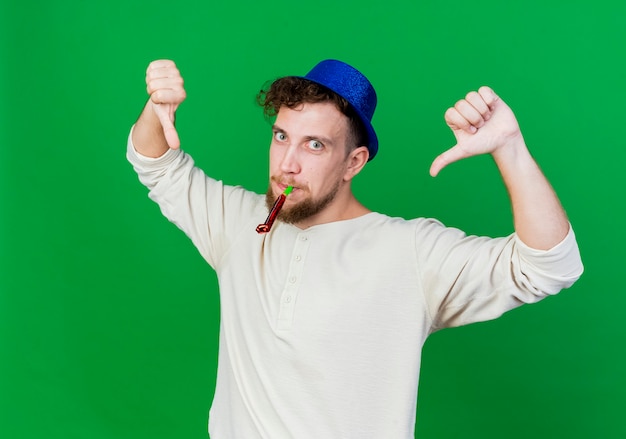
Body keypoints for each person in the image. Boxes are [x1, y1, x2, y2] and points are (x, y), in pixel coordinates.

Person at [127, 59, 583, 439]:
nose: (287, 163)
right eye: (282, 136)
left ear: (354, 162)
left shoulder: (410, 251)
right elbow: (158, 166)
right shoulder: (239, 225)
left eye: (315, 145)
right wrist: (156, 109)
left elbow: (548, 266)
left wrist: (510, 149)